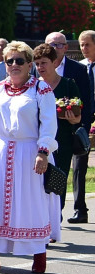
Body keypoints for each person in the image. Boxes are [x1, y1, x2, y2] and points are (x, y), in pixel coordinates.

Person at [0, 41, 58, 274]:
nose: (13, 65)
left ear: (29, 64)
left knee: (31, 202)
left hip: (28, 153)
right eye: (9, 60)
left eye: (19, 60)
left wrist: (43, 151)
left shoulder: (41, 90)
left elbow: (49, 124)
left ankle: (38, 254)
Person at [45, 32, 93, 231]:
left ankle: (57, 213)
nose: (55, 47)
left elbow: (87, 102)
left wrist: (80, 125)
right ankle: (44, 215)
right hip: (41, 133)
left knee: (62, 174)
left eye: (59, 44)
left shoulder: (78, 70)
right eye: (51, 44)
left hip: (67, 131)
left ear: (65, 47)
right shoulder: (35, 70)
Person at [33, 43, 81, 227]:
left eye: (44, 63)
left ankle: (54, 220)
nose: (40, 68)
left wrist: (72, 117)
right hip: (37, 141)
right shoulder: (33, 86)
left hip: (62, 140)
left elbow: (78, 116)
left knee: (56, 180)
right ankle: (39, 220)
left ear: (54, 62)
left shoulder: (68, 84)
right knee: (38, 182)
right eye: (37, 64)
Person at [70, 29, 95, 223]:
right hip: (83, 122)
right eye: (81, 45)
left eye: (87, 44)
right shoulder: (80, 68)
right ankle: (80, 209)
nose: (83, 48)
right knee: (79, 165)